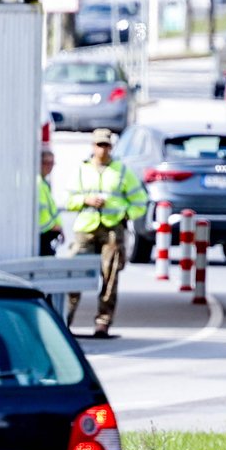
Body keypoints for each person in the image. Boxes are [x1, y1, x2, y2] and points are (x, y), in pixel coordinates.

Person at [65, 128, 148, 338]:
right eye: (99, 145)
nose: (103, 150)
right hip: (86, 227)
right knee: (75, 274)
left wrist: (125, 215)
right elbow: (68, 201)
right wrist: (86, 200)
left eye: (106, 145)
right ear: (92, 147)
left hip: (112, 228)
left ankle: (103, 321)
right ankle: (65, 319)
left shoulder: (121, 171)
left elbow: (140, 202)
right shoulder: (81, 170)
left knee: (110, 277)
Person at [38, 149, 61, 257]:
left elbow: (50, 209)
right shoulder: (38, 182)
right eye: (45, 163)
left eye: (51, 163)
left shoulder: (44, 183)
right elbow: (41, 211)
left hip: (50, 233)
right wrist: (52, 226)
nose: (49, 166)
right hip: (43, 233)